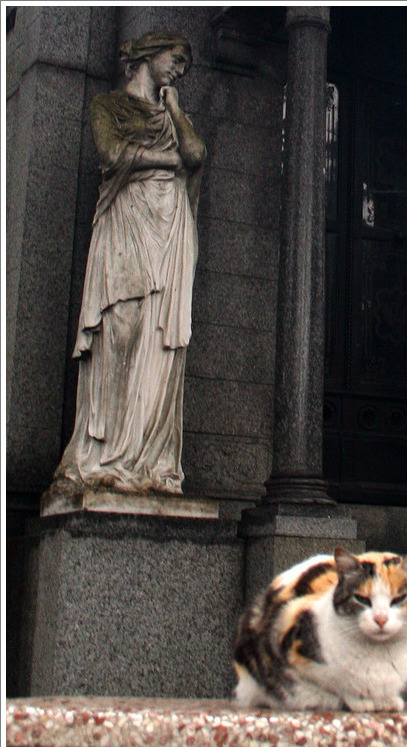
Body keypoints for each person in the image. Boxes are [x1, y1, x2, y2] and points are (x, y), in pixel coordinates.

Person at [54, 31, 206, 495]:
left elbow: (196, 154)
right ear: (149, 54)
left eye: (184, 65)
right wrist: (165, 159)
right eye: (176, 60)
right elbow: (111, 153)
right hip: (128, 222)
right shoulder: (109, 107)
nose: (179, 69)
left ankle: (148, 462)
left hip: (170, 227)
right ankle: (101, 455)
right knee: (120, 329)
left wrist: (175, 108)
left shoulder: (174, 114)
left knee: (161, 347)